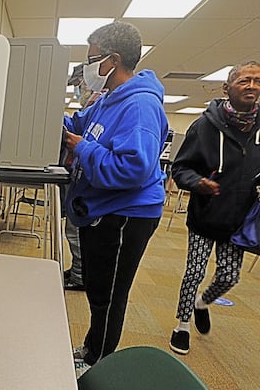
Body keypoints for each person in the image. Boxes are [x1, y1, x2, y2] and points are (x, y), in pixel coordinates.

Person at [62, 21, 168, 377]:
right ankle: (94, 347)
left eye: (92, 59)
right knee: (96, 284)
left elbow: (133, 168)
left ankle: (97, 363)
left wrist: (83, 149)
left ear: (113, 60)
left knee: (108, 294)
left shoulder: (139, 106)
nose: (89, 67)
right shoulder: (108, 99)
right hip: (105, 208)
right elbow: (79, 124)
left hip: (127, 213)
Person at [168, 60, 260, 356]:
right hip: (206, 215)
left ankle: (202, 303)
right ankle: (181, 325)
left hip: (240, 220)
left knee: (230, 277)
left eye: (257, 81)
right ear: (227, 87)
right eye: (245, 81)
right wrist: (199, 183)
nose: (252, 86)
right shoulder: (204, 125)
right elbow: (180, 169)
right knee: (194, 271)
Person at [63, 64, 101, 291]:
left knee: (76, 231)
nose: (78, 90)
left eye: (79, 85)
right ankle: (78, 271)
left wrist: (80, 148)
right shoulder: (94, 106)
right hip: (84, 179)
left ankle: (79, 277)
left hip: (90, 184)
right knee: (76, 231)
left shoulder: (100, 104)